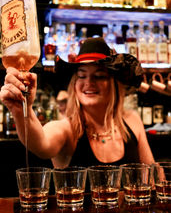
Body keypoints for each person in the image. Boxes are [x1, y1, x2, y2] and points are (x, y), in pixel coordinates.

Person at [0, 37, 155, 168]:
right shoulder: (67, 129)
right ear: (74, 83)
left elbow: (153, 174)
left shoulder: (132, 120)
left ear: (113, 84)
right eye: (82, 76)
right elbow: (41, 145)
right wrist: (21, 111)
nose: (88, 82)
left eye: (99, 76)